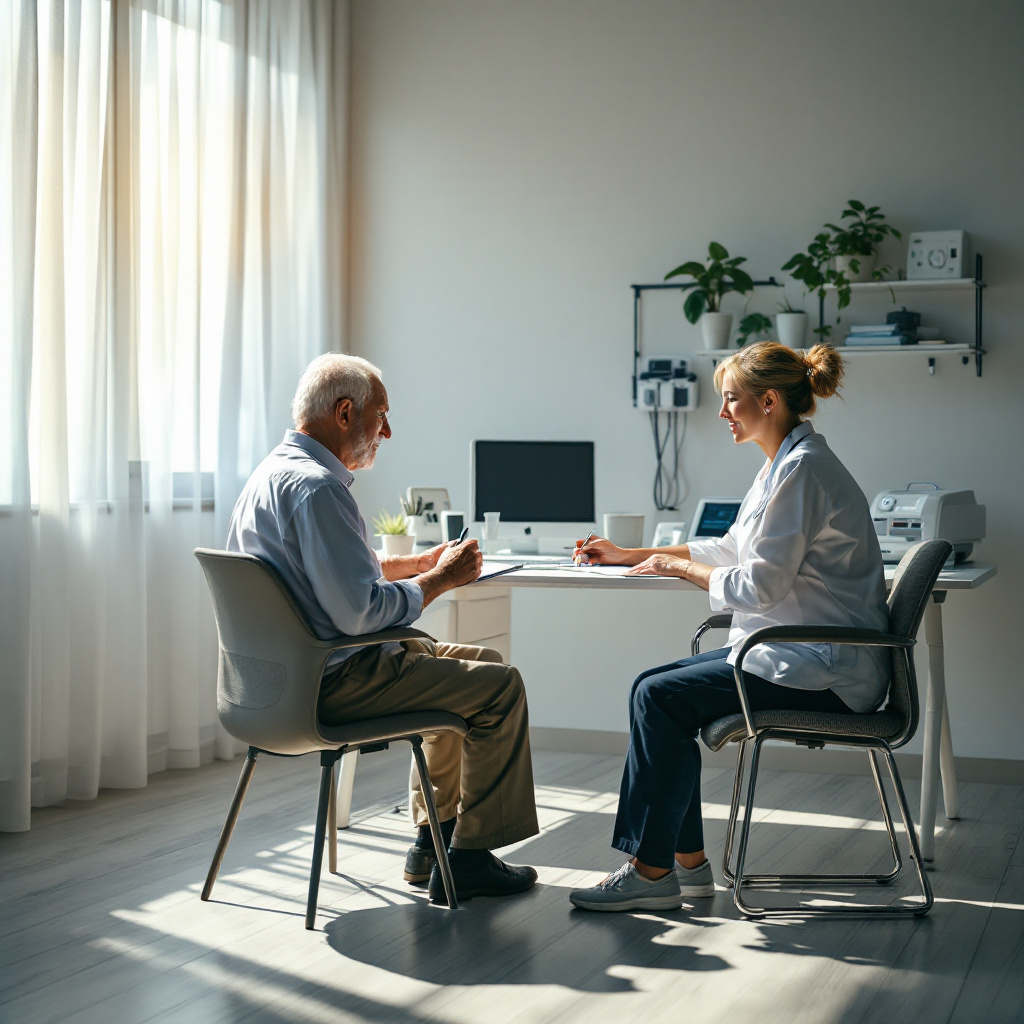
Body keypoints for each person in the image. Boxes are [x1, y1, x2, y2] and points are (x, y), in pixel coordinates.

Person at [567, 342, 889, 912]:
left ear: (768, 401)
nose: (722, 413)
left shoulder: (804, 472)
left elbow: (757, 586)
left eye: (730, 401)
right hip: (793, 654)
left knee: (659, 698)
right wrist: (630, 553)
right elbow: (731, 547)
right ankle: (685, 868)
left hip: (826, 671)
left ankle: (653, 870)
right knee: (652, 690)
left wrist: (680, 568)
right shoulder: (783, 466)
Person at [226, 353, 539, 902]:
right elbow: (361, 614)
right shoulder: (319, 488)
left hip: (272, 685)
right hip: (332, 683)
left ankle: (431, 842)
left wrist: (415, 565)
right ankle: (467, 858)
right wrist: (440, 581)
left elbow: (324, 575)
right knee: (500, 688)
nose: (387, 431)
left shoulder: (273, 475)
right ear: (345, 412)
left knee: (481, 665)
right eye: (382, 415)